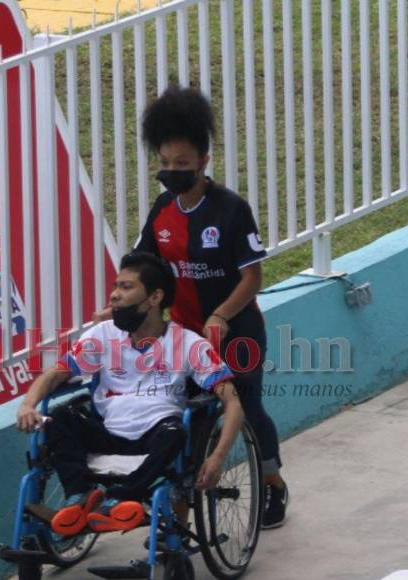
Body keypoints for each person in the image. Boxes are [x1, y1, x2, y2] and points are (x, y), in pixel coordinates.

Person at [97, 86, 289, 528]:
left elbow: (252, 277)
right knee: (181, 417)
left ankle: (273, 482)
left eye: (181, 164)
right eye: (164, 163)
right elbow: (144, 265)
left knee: (246, 406)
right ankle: (179, 512)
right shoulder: (163, 209)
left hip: (236, 330)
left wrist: (220, 314)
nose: (171, 171)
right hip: (183, 336)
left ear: (203, 160)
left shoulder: (231, 211)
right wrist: (120, 305)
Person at [16, 251, 244, 536]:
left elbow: (233, 402)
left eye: (126, 287)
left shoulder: (188, 344)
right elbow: (54, 375)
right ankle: (80, 497)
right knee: (60, 418)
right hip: (107, 433)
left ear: (154, 297)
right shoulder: (102, 335)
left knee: (176, 432)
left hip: (155, 438)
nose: (114, 295)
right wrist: (28, 404)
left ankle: (125, 498)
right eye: (115, 286)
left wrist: (218, 457)